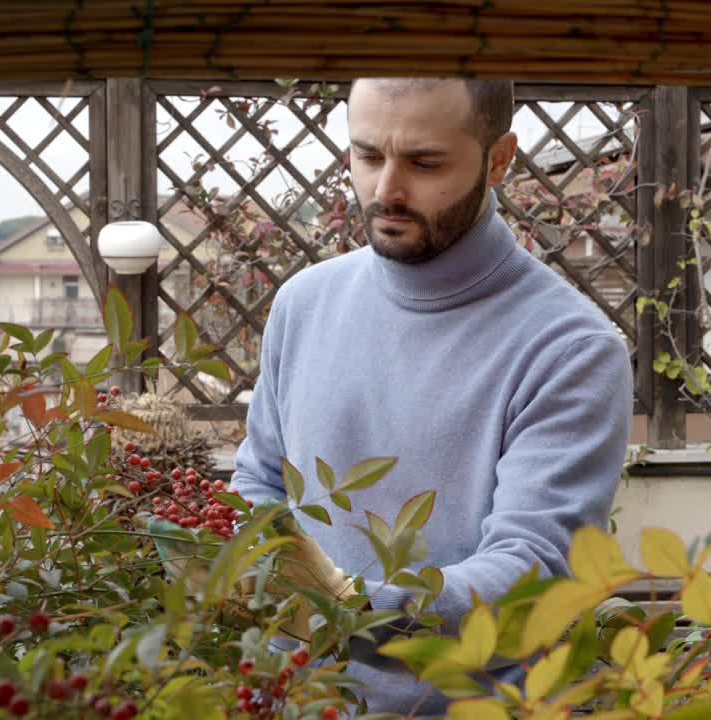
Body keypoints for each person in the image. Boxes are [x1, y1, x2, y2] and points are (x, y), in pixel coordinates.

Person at [229, 77, 633, 714]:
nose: (387, 189)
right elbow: (258, 483)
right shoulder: (303, 303)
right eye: (368, 156)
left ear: (498, 160)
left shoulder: (570, 347)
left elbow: (531, 575)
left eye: (424, 163)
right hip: (288, 702)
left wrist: (351, 606)